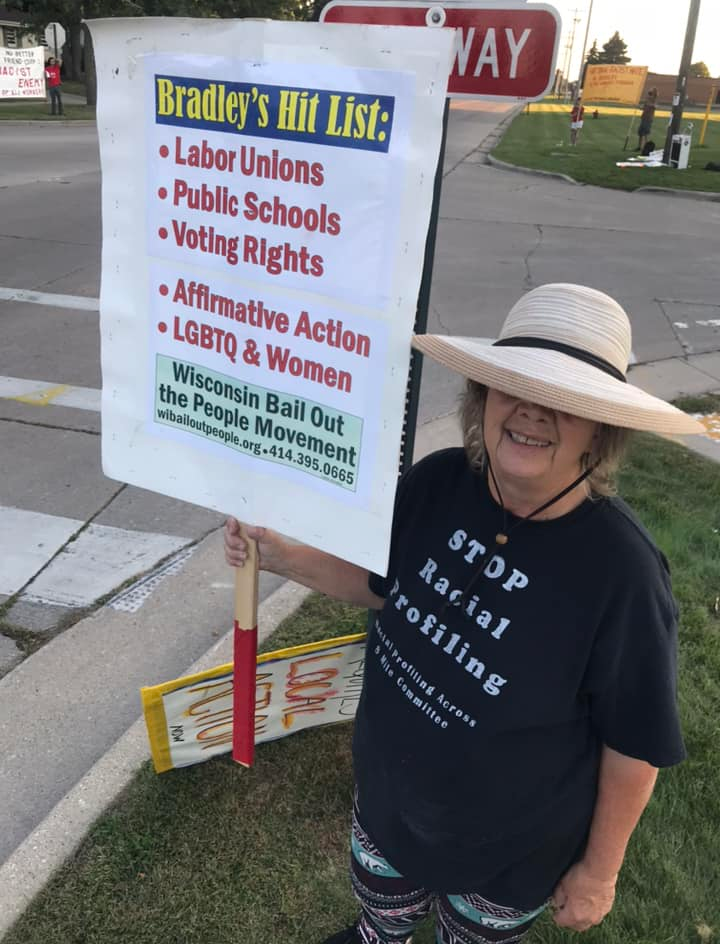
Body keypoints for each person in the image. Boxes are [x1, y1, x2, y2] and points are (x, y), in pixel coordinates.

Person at [224, 284, 704, 944]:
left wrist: (599, 872)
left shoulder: (622, 571)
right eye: (514, 387)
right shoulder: (438, 482)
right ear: (484, 396)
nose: (532, 412)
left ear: (600, 428)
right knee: (381, 918)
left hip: (510, 853)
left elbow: (633, 744)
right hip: (390, 801)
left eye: (563, 401)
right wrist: (278, 555)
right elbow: (382, 586)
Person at [637, 88, 658, 153]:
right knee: (640, 133)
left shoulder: (653, 100)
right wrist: (638, 107)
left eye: (650, 93)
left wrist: (650, 104)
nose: (649, 95)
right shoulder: (647, 100)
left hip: (648, 119)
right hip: (643, 118)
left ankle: (645, 148)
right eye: (649, 94)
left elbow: (655, 106)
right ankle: (640, 147)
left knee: (645, 133)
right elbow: (643, 108)